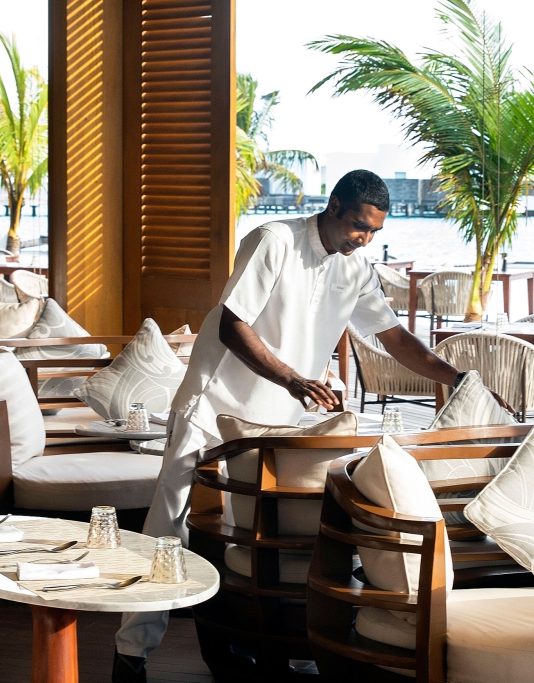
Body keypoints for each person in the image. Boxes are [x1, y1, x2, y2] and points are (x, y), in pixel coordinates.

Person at [112, 170, 499, 682]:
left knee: (244, 538)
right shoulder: (273, 240)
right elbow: (231, 324)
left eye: (374, 231)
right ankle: (131, 654)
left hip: (278, 423)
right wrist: (294, 379)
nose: (364, 239)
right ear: (333, 205)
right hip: (211, 409)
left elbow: (394, 338)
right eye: (358, 225)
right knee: (171, 526)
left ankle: (237, 648)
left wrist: (459, 377)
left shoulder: (356, 267)